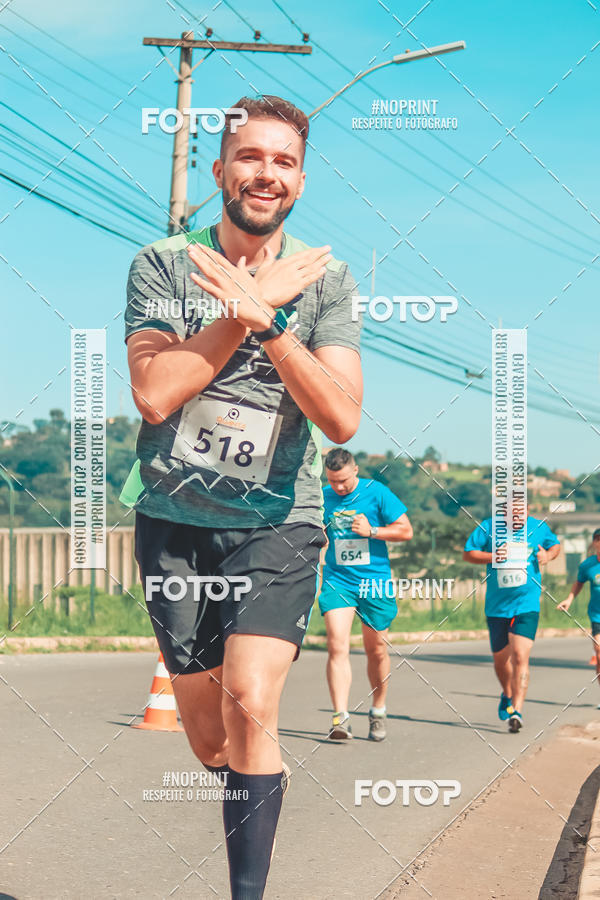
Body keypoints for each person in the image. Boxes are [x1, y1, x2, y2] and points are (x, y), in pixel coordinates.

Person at [121, 95, 362, 899]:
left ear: (300, 181)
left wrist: (272, 325)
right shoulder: (162, 264)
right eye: (251, 158)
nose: (267, 174)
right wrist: (240, 307)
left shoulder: (324, 282)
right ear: (220, 170)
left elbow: (340, 414)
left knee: (254, 706)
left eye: (284, 162)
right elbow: (155, 395)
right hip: (175, 524)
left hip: (278, 525)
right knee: (211, 739)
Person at [317, 448, 413, 742]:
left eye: (344, 480)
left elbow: (405, 531)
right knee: (337, 645)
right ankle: (340, 718)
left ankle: (378, 709)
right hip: (338, 581)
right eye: (334, 481)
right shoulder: (323, 497)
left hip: (375, 583)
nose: (340, 487)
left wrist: (372, 531)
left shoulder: (377, 492)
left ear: (356, 470)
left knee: (377, 650)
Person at [463, 508, 560, 732]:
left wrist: (548, 555)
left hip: (526, 604)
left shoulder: (538, 527)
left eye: (522, 510)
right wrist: (494, 556)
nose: (518, 515)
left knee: (520, 656)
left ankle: (516, 710)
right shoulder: (488, 527)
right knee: (500, 662)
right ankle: (507, 694)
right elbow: (469, 553)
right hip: (497, 607)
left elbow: (555, 545)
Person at [558, 528, 600, 706]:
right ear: (594, 543)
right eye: (598, 539)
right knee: (599, 653)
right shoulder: (587, 565)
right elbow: (578, 584)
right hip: (597, 615)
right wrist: (569, 599)